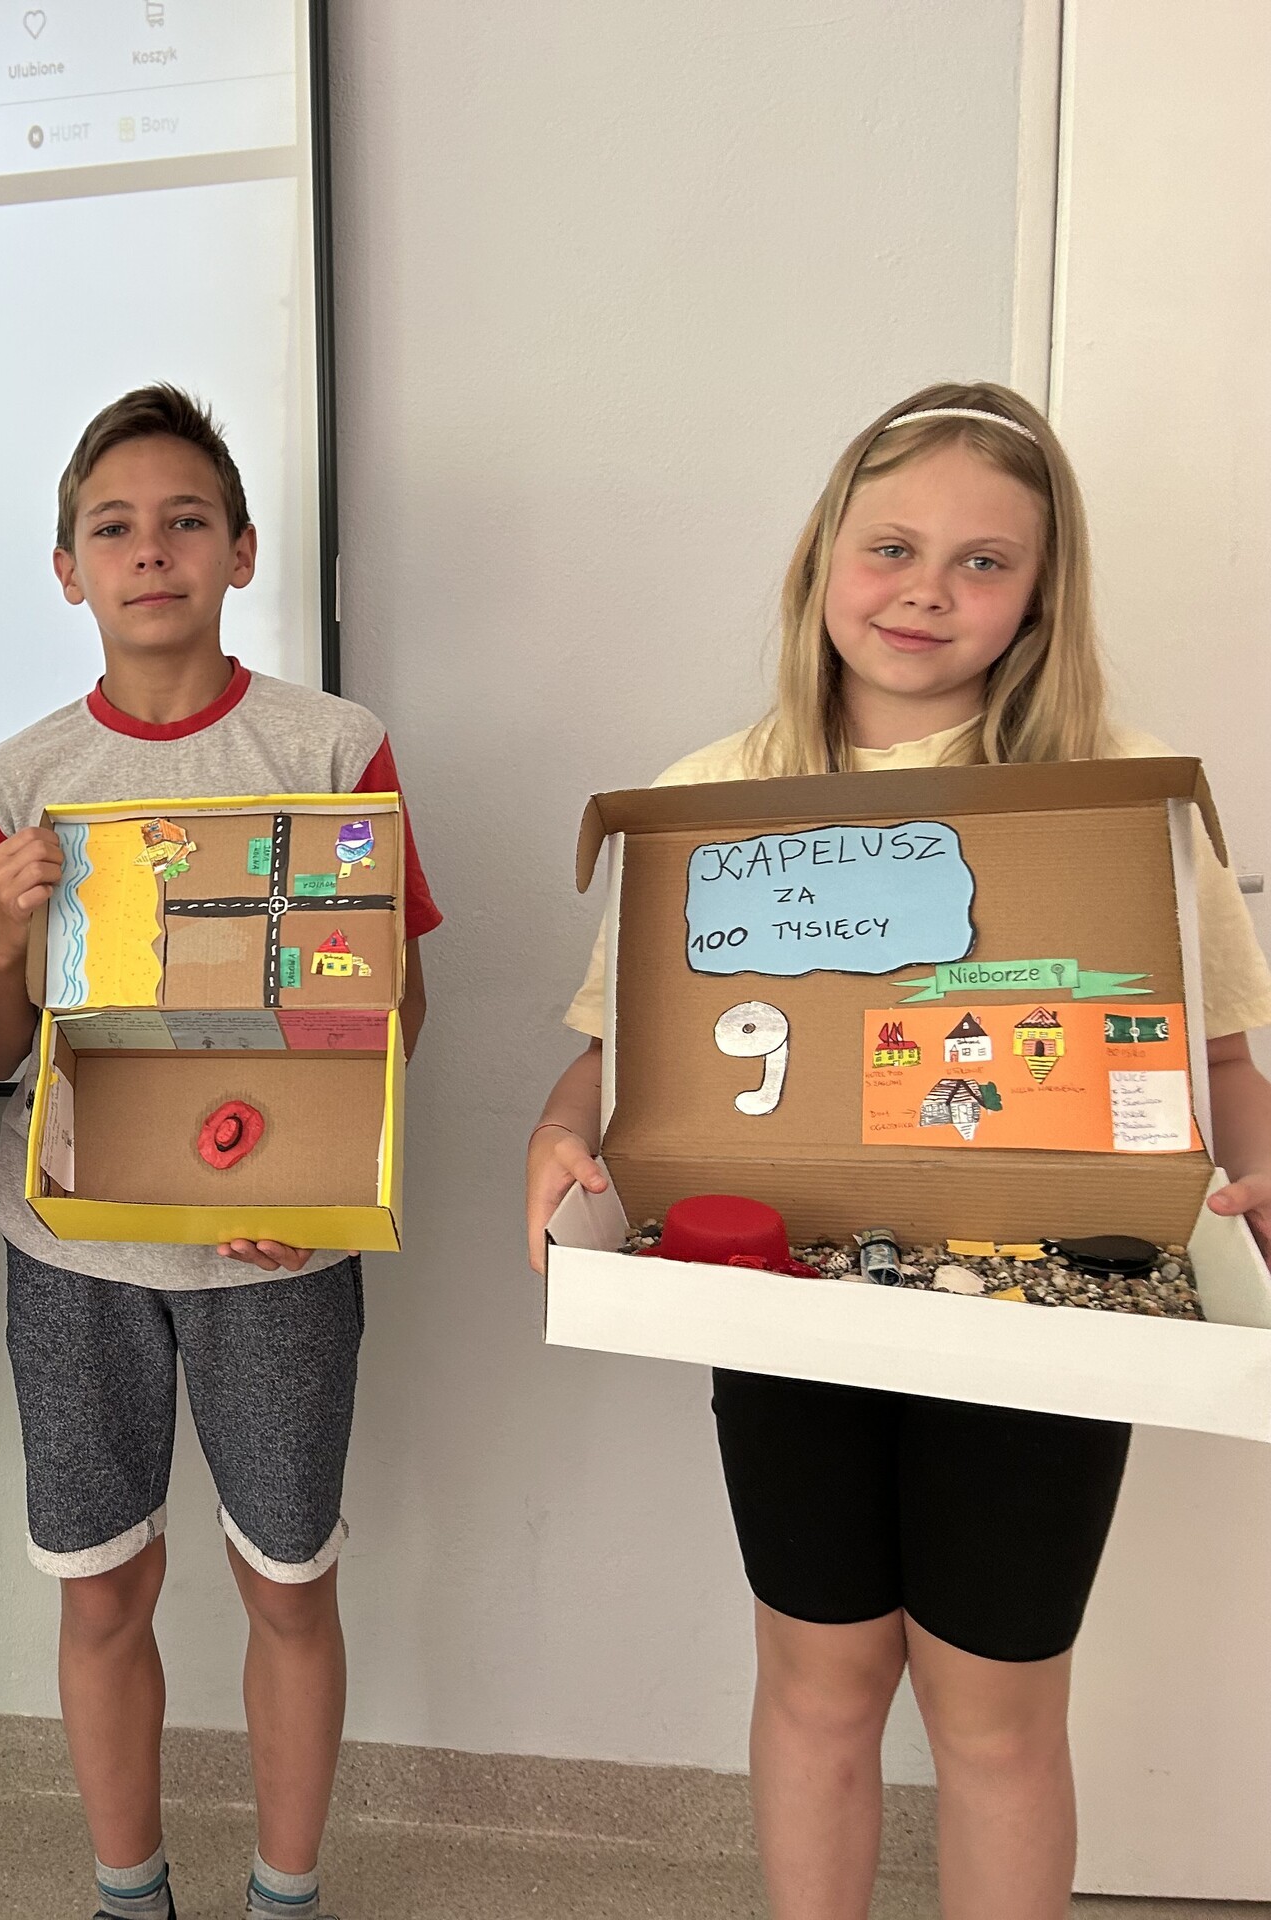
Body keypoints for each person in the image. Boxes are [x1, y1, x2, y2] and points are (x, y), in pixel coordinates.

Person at [521, 381, 1271, 1919]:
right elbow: (624, 1056)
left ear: (1041, 597)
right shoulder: (711, 796)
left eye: (985, 561)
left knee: (995, 1714)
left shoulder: (1123, 793)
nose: (929, 589)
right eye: (892, 547)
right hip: (785, 1295)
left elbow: (1220, 1063)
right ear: (822, 562)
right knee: (819, 1680)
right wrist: (556, 1132)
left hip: (1054, 1307)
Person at [0, 384, 439, 1920]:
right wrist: (7, 938)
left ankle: (285, 1892)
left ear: (241, 549)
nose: (149, 551)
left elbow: (398, 1009)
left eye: (184, 522)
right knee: (102, 1588)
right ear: (66, 569)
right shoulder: (19, 780)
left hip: (277, 1251)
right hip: (72, 1252)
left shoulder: (332, 746)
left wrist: (316, 1192)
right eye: (113, 528)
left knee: (289, 1580)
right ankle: (128, 1892)